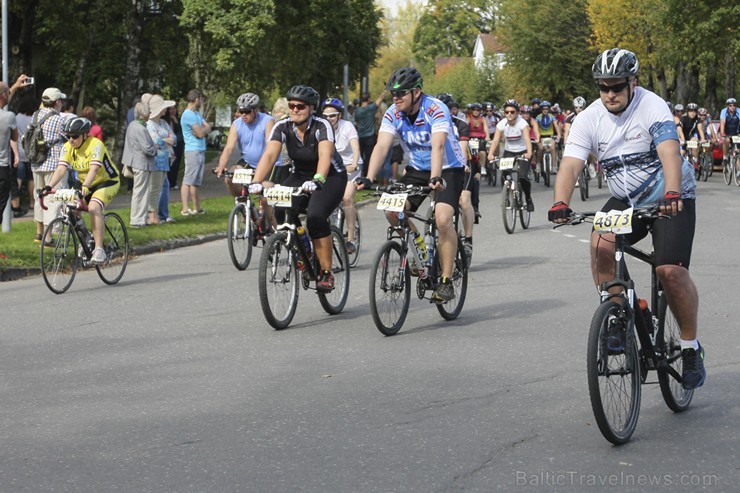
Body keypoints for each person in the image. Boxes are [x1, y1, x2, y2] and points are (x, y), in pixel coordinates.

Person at [548, 48, 704, 390]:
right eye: (603, 88)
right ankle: (620, 313)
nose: (610, 95)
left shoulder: (651, 105)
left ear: (632, 83)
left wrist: (673, 193)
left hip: (669, 195)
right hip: (627, 199)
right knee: (600, 242)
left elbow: (669, 152)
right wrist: (561, 202)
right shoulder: (589, 117)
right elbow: (572, 164)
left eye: (617, 87)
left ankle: (691, 348)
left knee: (669, 272)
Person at [356, 67, 466, 303]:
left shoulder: (435, 109)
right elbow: (382, 146)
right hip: (417, 168)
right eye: (393, 94)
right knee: (392, 211)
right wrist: (368, 176)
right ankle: (420, 252)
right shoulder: (393, 113)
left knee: (443, 218)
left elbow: (438, 146)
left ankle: (446, 281)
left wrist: (436, 177)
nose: (395, 99)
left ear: (417, 92)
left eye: (401, 94)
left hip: (448, 167)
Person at [249, 85, 347, 292]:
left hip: (329, 176)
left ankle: (327, 273)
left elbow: (325, 156)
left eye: (300, 106)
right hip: (300, 175)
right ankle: (304, 250)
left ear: (312, 108)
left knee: (316, 216)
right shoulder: (282, 126)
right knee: (280, 209)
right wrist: (257, 181)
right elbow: (269, 155)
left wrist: (318, 179)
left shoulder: (322, 126)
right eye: (291, 105)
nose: (294, 110)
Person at [42, 117, 120, 264]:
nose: (71, 140)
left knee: (93, 208)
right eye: (68, 136)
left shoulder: (96, 145)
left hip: (106, 181)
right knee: (70, 209)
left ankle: (99, 250)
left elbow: (94, 169)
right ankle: (86, 237)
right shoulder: (67, 147)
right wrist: (48, 186)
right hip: (85, 183)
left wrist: (85, 187)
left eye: (75, 136)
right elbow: (61, 169)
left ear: (85, 135)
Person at [215, 93, 278, 196]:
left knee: (264, 192)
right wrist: (221, 166)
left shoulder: (267, 121)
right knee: (229, 178)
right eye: (241, 111)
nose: (243, 114)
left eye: (247, 111)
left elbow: (270, 147)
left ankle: (265, 210)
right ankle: (244, 205)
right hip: (248, 162)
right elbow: (229, 148)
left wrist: (260, 170)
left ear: (256, 110)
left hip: (268, 163)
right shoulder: (237, 124)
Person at [437, 92, 475, 264]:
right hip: (440, 168)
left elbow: (462, 147)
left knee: (464, 200)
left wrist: (463, 163)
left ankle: (468, 239)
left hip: (462, 165)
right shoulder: (431, 124)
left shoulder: (461, 125)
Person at [322, 97, 361, 253]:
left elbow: (355, 147)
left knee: (346, 197)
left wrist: (354, 163)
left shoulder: (347, 126)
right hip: (333, 167)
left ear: (339, 115)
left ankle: (351, 239)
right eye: (325, 116)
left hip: (351, 166)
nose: (329, 119)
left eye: (332, 115)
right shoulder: (321, 127)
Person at [32, 88, 67, 244]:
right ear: (57, 102)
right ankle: (49, 236)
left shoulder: (35, 115)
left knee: (39, 196)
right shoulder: (59, 119)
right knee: (53, 198)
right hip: (53, 163)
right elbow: (68, 137)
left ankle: (39, 233)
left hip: (36, 162)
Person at [487, 99, 535, 211]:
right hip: (509, 151)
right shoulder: (501, 124)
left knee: (522, 176)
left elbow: (527, 139)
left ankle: (528, 198)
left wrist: (529, 153)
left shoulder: (522, 123)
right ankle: (506, 195)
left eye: (512, 112)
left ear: (517, 113)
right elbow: (495, 141)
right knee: (504, 174)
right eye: (507, 112)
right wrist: (490, 154)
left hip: (523, 151)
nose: (509, 114)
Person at [122, 101, 157, 227]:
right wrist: (155, 149)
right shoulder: (141, 128)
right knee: (141, 192)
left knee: (139, 192)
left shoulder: (132, 125)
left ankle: (139, 218)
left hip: (135, 162)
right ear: (144, 114)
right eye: (148, 112)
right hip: (141, 163)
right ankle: (138, 220)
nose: (150, 114)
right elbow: (147, 148)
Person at [180, 89, 211, 215]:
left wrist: (202, 131)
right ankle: (185, 208)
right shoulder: (188, 115)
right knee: (188, 180)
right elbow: (199, 133)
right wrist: (202, 132)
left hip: (200, 150)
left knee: (195, 181)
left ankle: (197, 207)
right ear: (197, 99)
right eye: (201, 99)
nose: (201, 101)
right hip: (192, 150)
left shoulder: (197, 114)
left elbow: (207, 127)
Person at [146, 94, 177, 224]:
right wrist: (166, 140)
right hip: (156, 160)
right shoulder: (150, 124)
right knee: (155, 188)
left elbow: (174, 138)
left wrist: (166, 140)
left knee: (163, 186)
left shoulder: (163, 123)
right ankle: (152, 215)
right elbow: (155, 141)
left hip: (165, 160)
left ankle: (161, 213)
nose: (166, 110)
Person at [354, 89, 387, 177]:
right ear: (368, 99)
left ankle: (358, 175)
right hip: (370, 136)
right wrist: (386, 89)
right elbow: (380, 99)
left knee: (359, 157)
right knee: (369, 157)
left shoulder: (357, 111)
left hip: (360, 136)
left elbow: (356, 122)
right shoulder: (371, 108)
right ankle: (367, 175)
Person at [0, 82, 20, 226]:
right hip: (2, 168)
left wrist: (15, 86)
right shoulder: (9, 116)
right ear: (3, 95)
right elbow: (14, 137)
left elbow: (4, 94)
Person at [14, 95, 37, 214]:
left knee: (18, 179)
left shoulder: (16, 118)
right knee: (31, 179)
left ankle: (14, 203)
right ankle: (32, 203)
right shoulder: (34, 119)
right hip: (31, 153)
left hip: (18, 152)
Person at [536, 101, 561, 173]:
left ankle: (554, 167)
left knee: (553, 148)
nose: (545, 110)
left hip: (550, 137)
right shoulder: (538, 117)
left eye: (547, 109)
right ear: (541, 109)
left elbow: (556, 126)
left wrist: (558, 135)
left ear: (549, 109)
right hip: (541, 137)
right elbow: (536, 127)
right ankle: (538, 165)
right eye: (543, 109)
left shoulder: (551, 117)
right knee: (540, 148)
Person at [164, 105, 184, 190]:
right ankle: (169, 181)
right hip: (169, 144)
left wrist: (175, 120)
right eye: (170, 109)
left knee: (176, 164)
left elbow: (180, 130)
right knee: (169, 163)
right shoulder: (165, 120)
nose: (172, 111)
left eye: (174, 109)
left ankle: (173, 182)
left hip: (178, 144)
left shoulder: (178, 119)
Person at [719, 98, 739, 164]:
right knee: (726, 140)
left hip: (736, 133)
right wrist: (722, 133)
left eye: (734, 105)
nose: (732, 107)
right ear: (727, 106)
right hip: (727, 132)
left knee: (738, 152)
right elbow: (722, 122)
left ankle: (738, 170)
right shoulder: (724, 111)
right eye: (730, 105)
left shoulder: (738, 111)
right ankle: (725, 157)